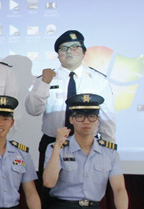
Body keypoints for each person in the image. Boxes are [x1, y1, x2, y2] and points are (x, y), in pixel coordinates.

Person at [25, 30, 116, 169]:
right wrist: (44, 84)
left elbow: (107, 118)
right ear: (57, 55)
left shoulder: (99, 80)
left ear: (84, 52)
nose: (69, 52)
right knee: (49, 182)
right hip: (53, 143)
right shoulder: (46, 78)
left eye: (74, 47)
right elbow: (33, 110)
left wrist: (110, 150)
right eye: (63, 48)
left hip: (88, 143)